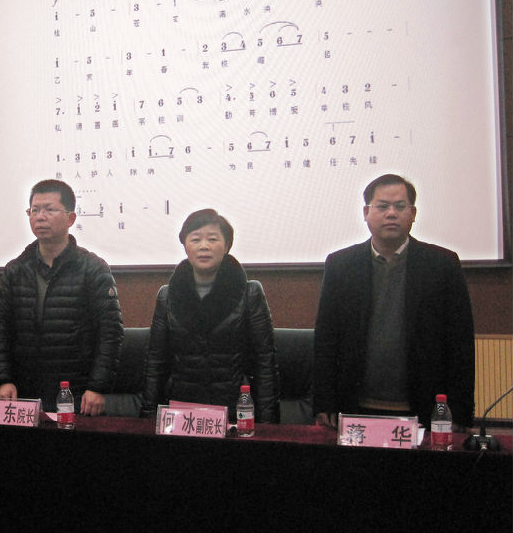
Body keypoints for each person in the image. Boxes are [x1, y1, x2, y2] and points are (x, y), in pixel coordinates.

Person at [313, 174, 475, 429]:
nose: (391, 213)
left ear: (413, 213)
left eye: (400, 206)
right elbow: (326, 338)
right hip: (354, 405)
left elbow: (460, 343)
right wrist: (324, 401)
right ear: (366, 213)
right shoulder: (341, 265)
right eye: (382, 206)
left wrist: (460, 409)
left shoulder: (442, 265)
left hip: (425, 406)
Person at [0, 179, 123, 414]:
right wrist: (3, 379)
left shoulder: (93, 268)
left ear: (71, 218)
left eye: (49, 210)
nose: (40, 217)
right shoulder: (16, 269)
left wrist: (97, 386)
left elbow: (110, 332)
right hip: (24, 390)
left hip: (77, 390)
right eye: (34, 210)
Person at [141, 209, 279, 422]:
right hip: (181, 412)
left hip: (234, 411)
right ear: (185, 246)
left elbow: (265, 363)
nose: (204, 246)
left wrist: (268, 424)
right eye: (195, 239)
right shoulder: (167, 296)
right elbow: (156, 362)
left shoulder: (250, 293)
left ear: (226, 246)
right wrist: (148, 418)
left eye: (212, 239)